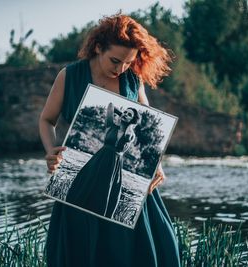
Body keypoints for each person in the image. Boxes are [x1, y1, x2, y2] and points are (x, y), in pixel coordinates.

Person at [39, 13, 181, 267]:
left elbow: (148, 127)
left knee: (152, 247)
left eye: (128, 62)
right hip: (81, 182)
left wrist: (156, 162)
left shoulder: (132, 79)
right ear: (97, 47)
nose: (121, 69)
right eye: (115, 61)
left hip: (126, 173)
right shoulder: (69, 76)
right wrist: (52, 152)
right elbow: (46, 121)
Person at [66, 103, 141, 219]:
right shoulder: (110, 126)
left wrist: (131, 124)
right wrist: (123, 115)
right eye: (125, 112)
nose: (125, 114)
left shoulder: (131, 134)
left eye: (129, 114)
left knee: (103, 190)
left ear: (133, 120)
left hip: (113, 165)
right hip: (99, 159)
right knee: (87, 183)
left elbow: (127, 136)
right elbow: (111, 106)